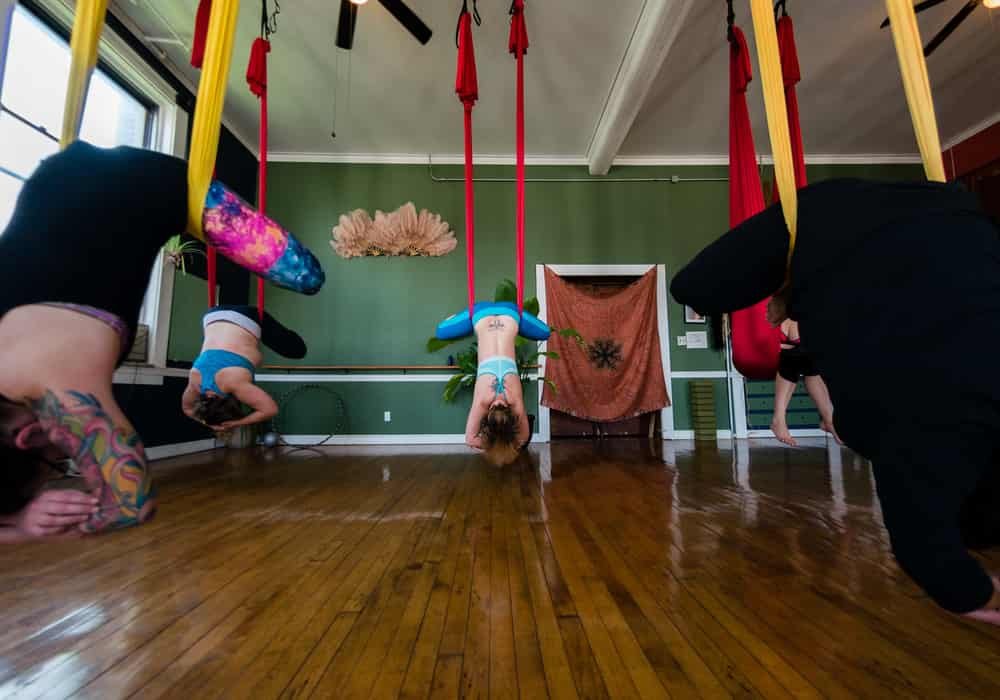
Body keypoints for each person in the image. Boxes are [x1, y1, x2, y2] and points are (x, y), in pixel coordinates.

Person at [671, 177, 1000, 625]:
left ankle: (797, 418)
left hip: (893, 350)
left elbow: (695, 287)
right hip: (885, 355)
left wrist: (790, 275)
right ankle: (797, 418)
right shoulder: (928, 420)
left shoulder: (924, 429)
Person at [0, 141, 323, 540]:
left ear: (28, 436)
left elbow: (130, 503)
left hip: (150, 183)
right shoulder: (33, 381)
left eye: (56, 462)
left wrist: (21, 528)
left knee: (307, 276)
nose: (69, 456)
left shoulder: (61, 392)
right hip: (49, 178)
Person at [183, 305, 306, 432]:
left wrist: (237, 423)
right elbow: (187, 409)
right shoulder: (195, 381)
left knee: (297, 351)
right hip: (212, 316)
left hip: (247, 317)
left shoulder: (234, 385)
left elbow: (270, 410)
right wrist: (205, 422)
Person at [465, 309, 531, 466]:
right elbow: (470, 439)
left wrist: (504, 440)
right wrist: (493, 442)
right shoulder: (482, 401)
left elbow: (523, 437)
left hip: (510, 319)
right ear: (487, 416)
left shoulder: (514, 401)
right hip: (482, 320)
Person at [769, 317, 840, 446]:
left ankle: (828, 418)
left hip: (794, 327)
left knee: (806, 356)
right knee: (802, 353)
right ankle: (828, 418)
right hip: (780, 325)